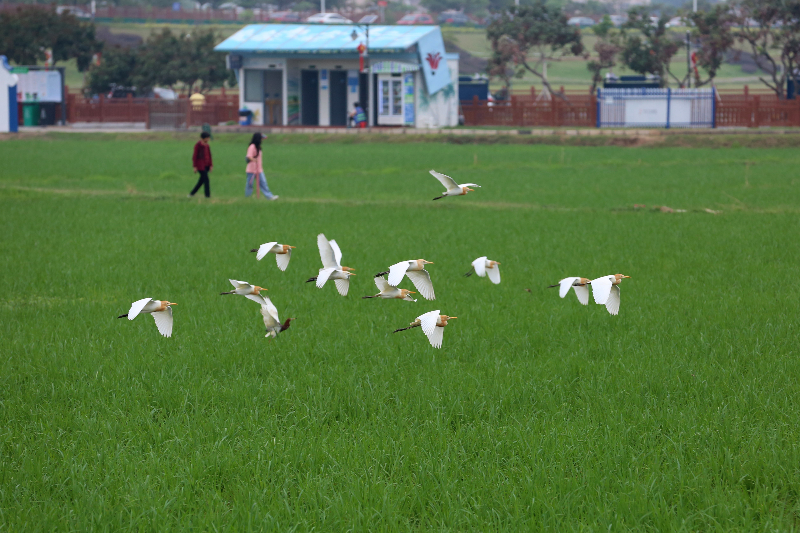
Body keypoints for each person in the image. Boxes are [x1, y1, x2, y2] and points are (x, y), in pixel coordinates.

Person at [245, 132, 278, 201]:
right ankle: (247, 198)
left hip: (259, 169)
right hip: (251, 169)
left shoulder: (258, 147)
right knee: (250, 184)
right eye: (261, 139)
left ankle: (270, 197)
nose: (262, 140)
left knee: (263, 183)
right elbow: (249, 156)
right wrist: (255, 160)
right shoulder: (252, 146)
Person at [189, 131, 212, 198]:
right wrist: (195, 166)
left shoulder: (207, 146)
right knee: (206, 180)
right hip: (200, 166)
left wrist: (211, 165)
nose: (208, 139)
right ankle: (207, 196)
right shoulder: (198, 146)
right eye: (207, 138)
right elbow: (195, 156)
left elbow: (209, 156)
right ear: (203, 138)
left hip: (206, 165)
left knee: (201, 181)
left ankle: (191, 194)